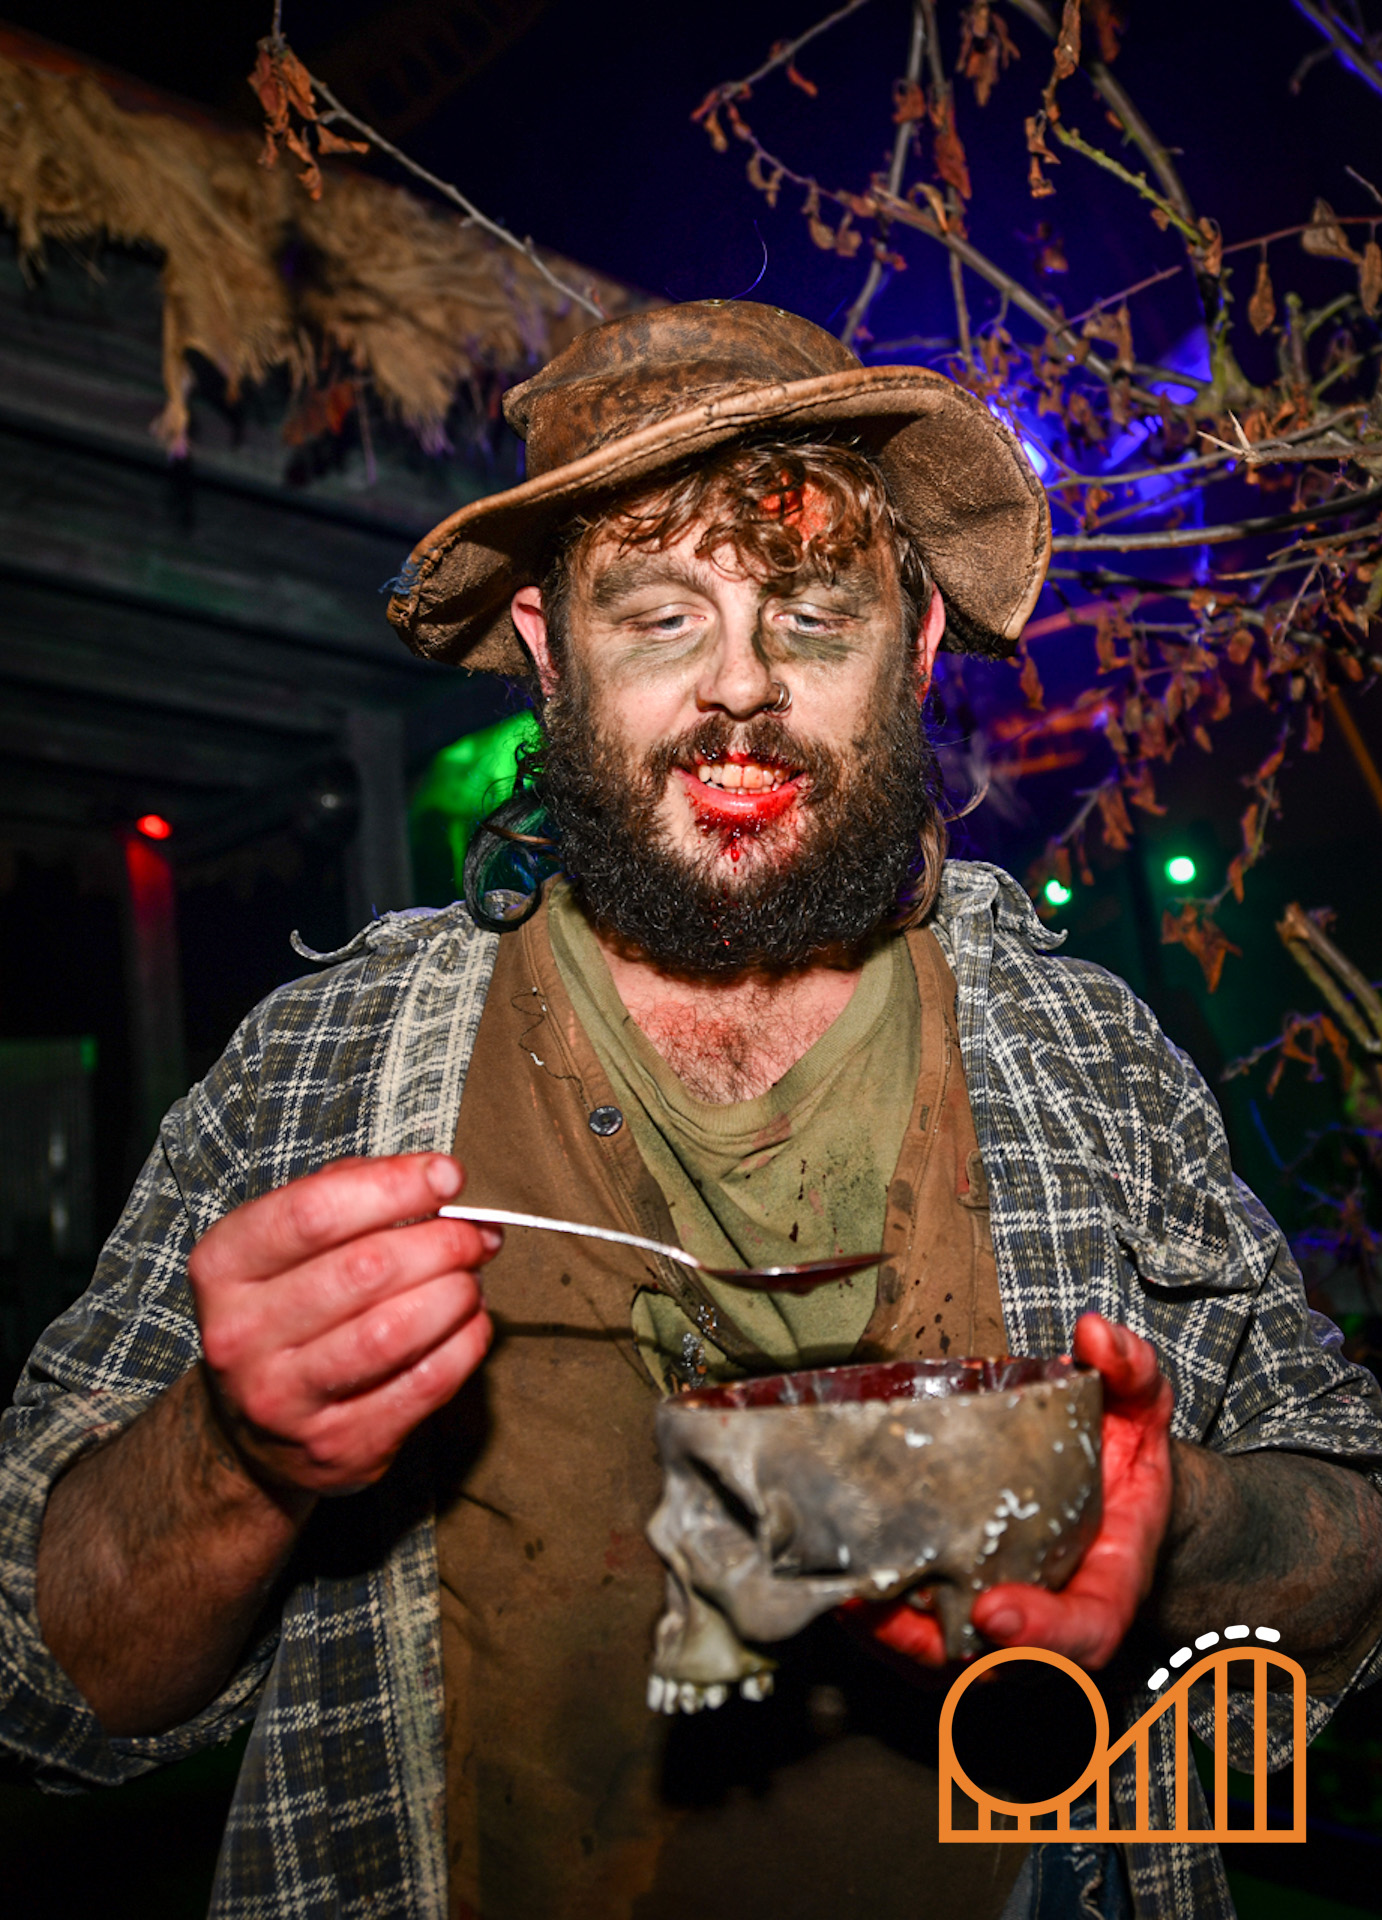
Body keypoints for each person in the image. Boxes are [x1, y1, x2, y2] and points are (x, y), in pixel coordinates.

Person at [4, 301, 1382, 1920]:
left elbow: (1350, 1546)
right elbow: (48, 1685)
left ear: (914, 647)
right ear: (547, 651)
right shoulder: (321, 1068)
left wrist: (1181, 1519)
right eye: (659, 617)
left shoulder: (1090, 1057)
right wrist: (239, 1454)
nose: (739, 687)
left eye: (810, 615)